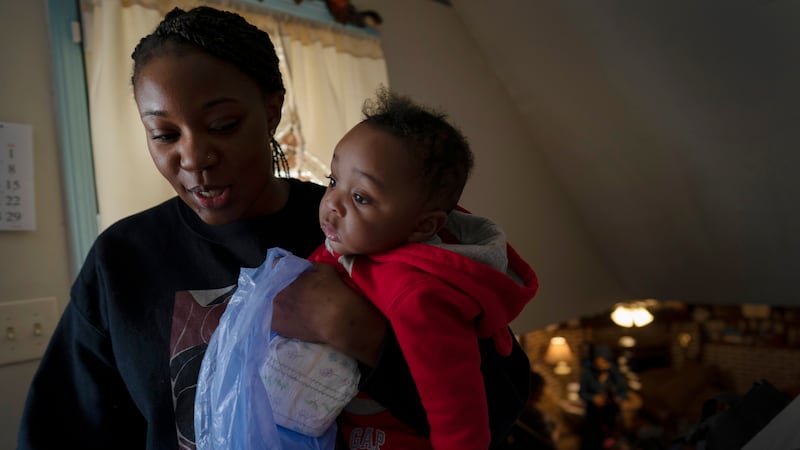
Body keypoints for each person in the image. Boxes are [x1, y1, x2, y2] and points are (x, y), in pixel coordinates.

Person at [16, 6, 532, 449]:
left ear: (271, 109)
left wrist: (360, 333)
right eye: (164, 134)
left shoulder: (365, 227)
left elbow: (495, 409)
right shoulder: (122, 259)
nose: (193, 157)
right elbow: (62, 431)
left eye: (222, 126)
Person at [302, 88, 539, 450]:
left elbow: (457, 406)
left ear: (422, 226)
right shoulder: (361, 241)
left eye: (361, 197)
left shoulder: (419, 296)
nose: (332, 202)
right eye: (333, 181)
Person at [579, 344, 629, 449]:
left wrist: (619, 398)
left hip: (611, 414)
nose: (603, 364)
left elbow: (623, 391)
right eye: (600, 361)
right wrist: (593, 398)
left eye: (605, 361)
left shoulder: (614, 373)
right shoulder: (587, 373)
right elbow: (582, 393)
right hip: (593, 415)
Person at [497, 370, 557, 450]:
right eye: (540, 391)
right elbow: (551, 444)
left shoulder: (511, 410)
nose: (541, 396)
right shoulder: (532, 414)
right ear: (534, 390)